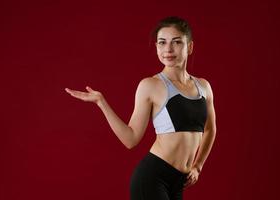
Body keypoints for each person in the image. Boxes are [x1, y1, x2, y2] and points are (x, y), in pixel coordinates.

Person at [65, 16, 216, 200]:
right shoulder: (151, 85)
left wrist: (198, 166)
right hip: (153, 178)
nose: (168, 49)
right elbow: (131, 139)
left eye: (176, 42)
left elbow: (209, 129)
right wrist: (101, 102)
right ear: (156, 47)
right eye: (162, 43)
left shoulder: (203, 87)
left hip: (179, 181)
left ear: (190, 47)